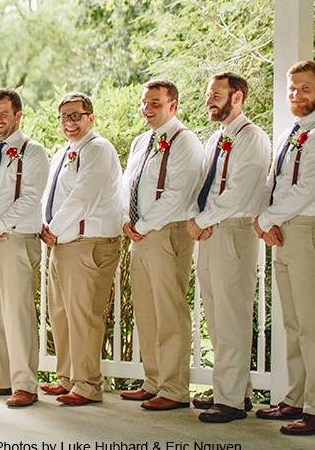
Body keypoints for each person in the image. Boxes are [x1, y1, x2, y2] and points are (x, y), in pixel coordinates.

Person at [188, 73, 269, 423]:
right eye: (209, 94)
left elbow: (238, 193)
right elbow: (201, 184)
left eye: (217, 94)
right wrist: (198, 218)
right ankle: (235, 391)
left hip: (233, 230)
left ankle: (231, 402)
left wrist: (203, 221)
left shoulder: (252, 138)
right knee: (217, 316)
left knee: (232, 314)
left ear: (237, 97)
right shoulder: (216, 138)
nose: (210, 101)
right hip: (211, 230)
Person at [119, 79, 204, 411]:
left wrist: (141, 225)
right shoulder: (142, 141)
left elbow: (177, 194)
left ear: (173, 105)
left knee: (169, 310)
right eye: (144, 102)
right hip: (139, 234)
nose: (147, 108)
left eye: (155, 103)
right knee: (147, 310)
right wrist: (126, 220)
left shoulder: (185, 142)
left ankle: (174, 388)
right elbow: (129, 185)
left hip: (167, 232)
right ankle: (153, 381)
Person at [40, 92, 123, 406]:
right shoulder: (66, 151)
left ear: (91, 117)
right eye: (64, 117)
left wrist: (54, 228)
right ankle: (67, 377)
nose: (69, 123)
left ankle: (87, 384)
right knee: (61, 314)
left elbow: (83, 196)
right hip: (63, 243)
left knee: (84, 316)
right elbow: (52, 195)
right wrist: (45, 226)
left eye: (76, 116)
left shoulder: (99, 150)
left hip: (87, 244)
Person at [0, 89, 49, 409]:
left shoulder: (33, 152)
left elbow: (30, 197)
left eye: (3, 113)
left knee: (17, 314)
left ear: (18, 115)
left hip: (14, 240)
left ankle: (25, 384)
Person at [254, 60, 315, 436]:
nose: (296, 94)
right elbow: (273, 181)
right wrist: (266, 218)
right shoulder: (291, 132)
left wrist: (268, 218)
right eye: (292, 88)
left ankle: (314, 405)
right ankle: (295, 397)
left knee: (310, 323)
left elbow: (308, 187)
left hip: (306, 228)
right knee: (292, 322)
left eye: (305, 87)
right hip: (283, 228)